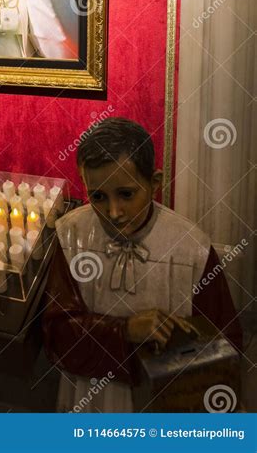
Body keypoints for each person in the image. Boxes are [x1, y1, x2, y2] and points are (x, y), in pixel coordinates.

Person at [42, 117, 242, 412]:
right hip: (91, 396)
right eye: (98, 196)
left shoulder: (191, 247)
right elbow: (56, 332)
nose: (113, 212)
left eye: (126, 194)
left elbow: (224, 344)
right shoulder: (71, 233)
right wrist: (123, 331)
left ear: (155, 183)